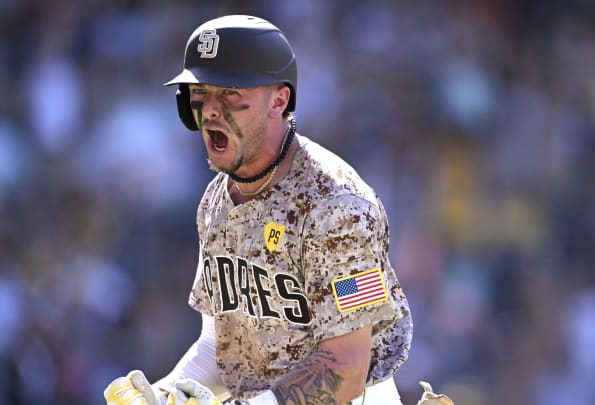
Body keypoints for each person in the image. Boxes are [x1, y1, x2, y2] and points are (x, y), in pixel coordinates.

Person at [104, 14, 414, 405]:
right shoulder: (216, 202)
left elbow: (346, 366)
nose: (211, 110)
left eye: (230, 93)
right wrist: (169, 394)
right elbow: (221, 346)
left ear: (279, 100)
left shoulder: (339, 206)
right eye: (200, 93)